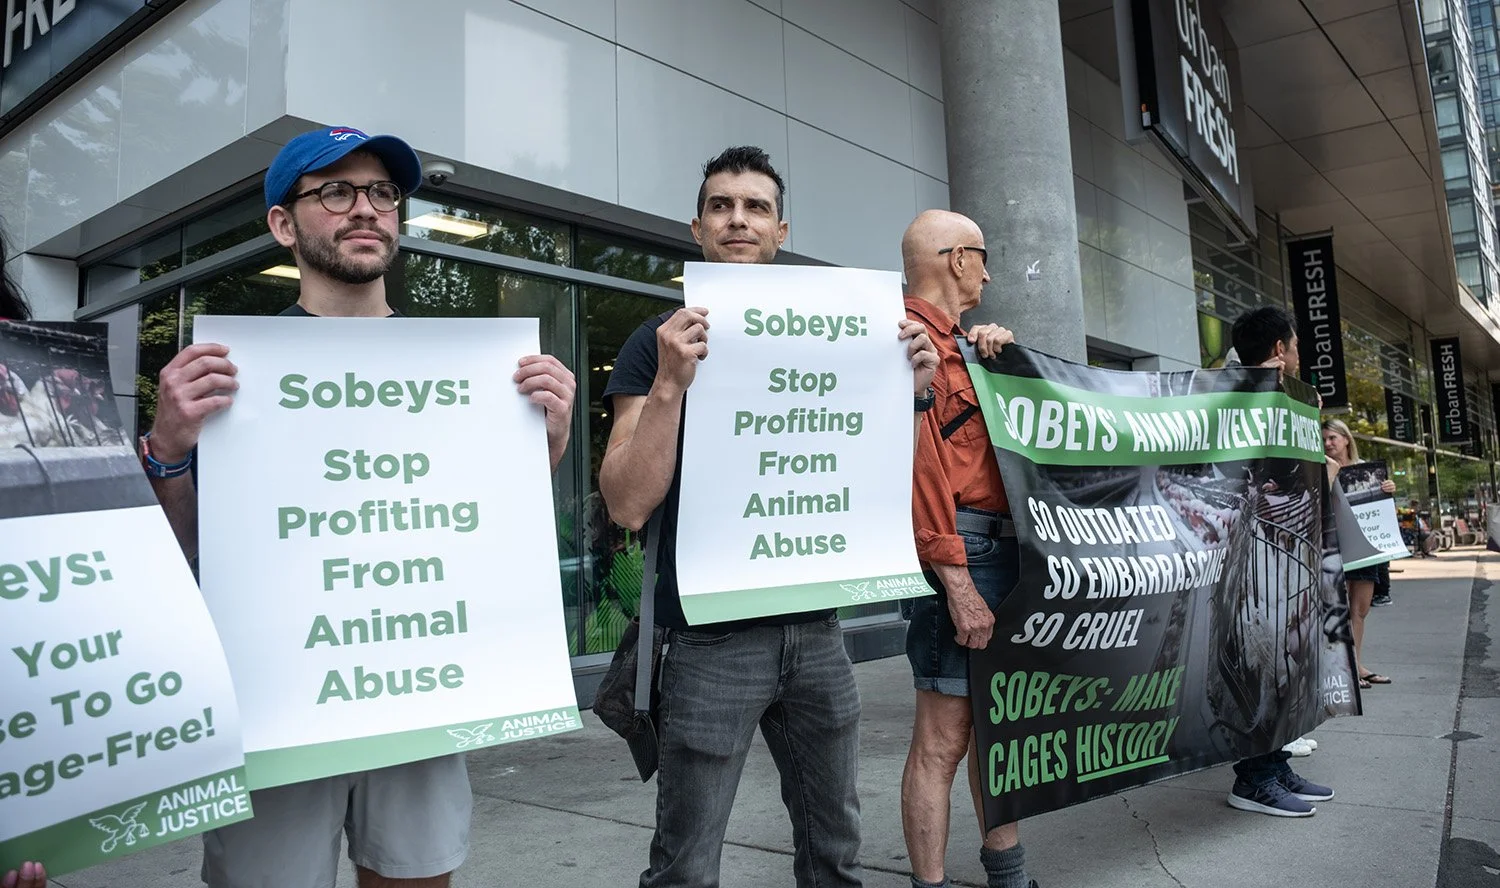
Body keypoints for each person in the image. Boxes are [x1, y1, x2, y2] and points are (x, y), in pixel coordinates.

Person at [144, 126, 576, 888]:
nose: (366, 209)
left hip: (417, 684)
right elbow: (176, 551)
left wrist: (545, 447)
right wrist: (167, 449)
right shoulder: (231, 372)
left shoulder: (464, 375)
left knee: (416, 877)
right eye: (336, 192)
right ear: (284, 224)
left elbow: (480, 533)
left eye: (382, 192)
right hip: (278, 700)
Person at [598, 146, 938, 888]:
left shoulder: (849, 341)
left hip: (817, 632)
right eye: (721, 205)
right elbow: (626, 501)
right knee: (686, 865)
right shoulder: (656, 342)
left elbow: (881, 482)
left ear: (782, 231)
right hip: (708, 640)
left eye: (756, 207)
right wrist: (670, 384)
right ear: (697, 227)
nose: (738, 219)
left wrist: (909, 394)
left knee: (836, 850)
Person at [897, 211, 1037, 888]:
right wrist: (956, 583)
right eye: (983, 257)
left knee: (995, 729)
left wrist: (999, 360)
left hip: (998, 549)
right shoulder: (905, 340)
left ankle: (1007, 877)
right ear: (957, 260)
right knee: (943, 737)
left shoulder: (964, 346)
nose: (988, 272)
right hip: (961, 552)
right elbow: (919, 473)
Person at [1223, 306, 1336, 818]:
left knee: (1286, 665)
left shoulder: (1288, 402)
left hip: (1291, 554)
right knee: (1261, 661)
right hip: (1258, 558)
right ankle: (1253, 779)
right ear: (1278, 350)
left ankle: (1275, 762)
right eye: (1294, 346)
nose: (1297, 356)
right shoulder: (1234, 397)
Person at [1323, 418, 1395, 689]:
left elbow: (1380, 510)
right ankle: (1342, 668)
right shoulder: (1320, 468)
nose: (1328, 443)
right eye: (1324, 439)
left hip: (1366, 546)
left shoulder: (1365, 470)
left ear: (1346, 439)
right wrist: (1330, 474)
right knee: (1337, 608)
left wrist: (1388, 490)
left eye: (1332, 438)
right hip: (1335, 546)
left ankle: (1355, 664)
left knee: (1360, 609)